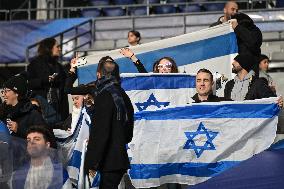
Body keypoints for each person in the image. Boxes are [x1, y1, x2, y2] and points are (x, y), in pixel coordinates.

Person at [84, 56, 134, 189]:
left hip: (109, 161)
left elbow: (101, 132)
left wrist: (92, 161)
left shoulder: (103, 96)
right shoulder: (122, 94)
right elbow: (129, 133)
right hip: (119, 158)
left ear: (98, 74)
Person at [27, 37, 69, 124]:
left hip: (58, 109)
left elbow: (64, 83)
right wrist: (45, 80)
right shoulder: (35, 64)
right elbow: (29, 83)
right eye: (57, 46)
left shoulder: (58, 66)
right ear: (49, 48)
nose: (60, 49)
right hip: (43, 109)